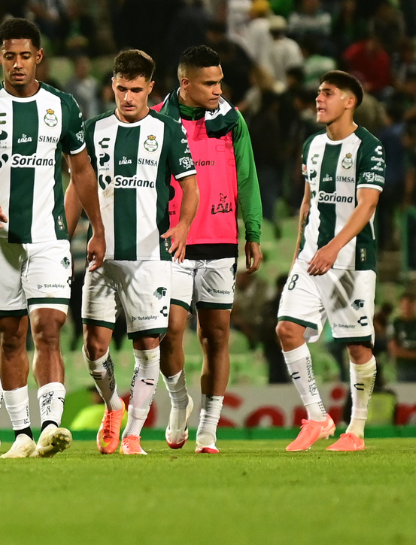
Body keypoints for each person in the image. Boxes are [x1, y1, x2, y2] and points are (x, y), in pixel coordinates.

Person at [0, 19, 106, 458]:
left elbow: (80, 171)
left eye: (25, 56)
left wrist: (97, 228)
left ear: (38, 57)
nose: (17, 64)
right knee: (9, 331)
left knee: (48, 327)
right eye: (9, 56)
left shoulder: (63, 105)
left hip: (48, 236)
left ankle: (51, 426)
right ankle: (21, 433)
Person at [68, 49, 198, 456]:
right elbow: (77, 185)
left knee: (147, 348)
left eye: (136, 90)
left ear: (150, 89)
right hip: (101, 255)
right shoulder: (92, 129)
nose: (128, 97)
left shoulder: (168, 130)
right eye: (122, 88)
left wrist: (182, 226)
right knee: (94, 346)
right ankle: (112, 407)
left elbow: (190, 188)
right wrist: (62, 237)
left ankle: (133, 435)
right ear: (112, 85)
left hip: (148, 258)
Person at [150, 45, 263, 454]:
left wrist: (252, 232)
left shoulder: (232, 121)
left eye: (220, 82)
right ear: (185, 83)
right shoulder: (157, 121)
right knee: (170, 331)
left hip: (219, 241)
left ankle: (209, 429)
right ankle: (180, 401)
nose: (218, 90)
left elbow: (247, 177)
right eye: (210, 83)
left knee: (216, 336)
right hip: (174, 240)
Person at [275, 71, 383, 453]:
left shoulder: (368, 147)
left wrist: (334, 247)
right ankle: (318, 417)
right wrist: (297, 255)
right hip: (311, 256)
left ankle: (356, 429)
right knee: (287, 329)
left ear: (350, 101)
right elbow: (309, 201)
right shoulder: (311, 146)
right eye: (318, 93)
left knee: (357, 347)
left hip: (350, 259)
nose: (319, 99)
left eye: (328, 93)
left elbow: (367, 203)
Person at [390, 293, 416, 383]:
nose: (407, 309)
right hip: (403, 368)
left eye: (410, 305)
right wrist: (412, 355)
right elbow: (394, 349)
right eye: (404, 306)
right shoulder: (395, 323)